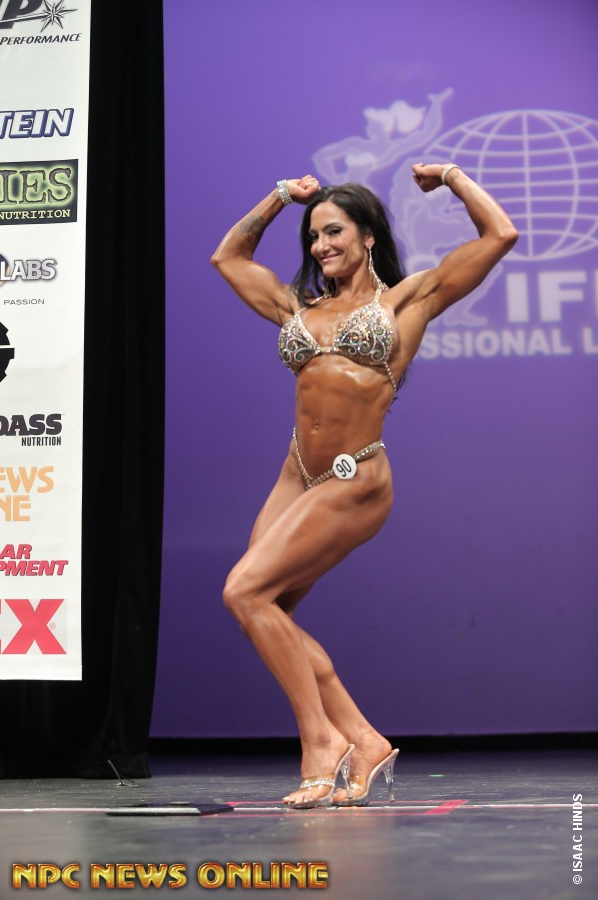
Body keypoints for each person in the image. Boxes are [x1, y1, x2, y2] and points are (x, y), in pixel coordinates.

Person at [211, 164, 517, 809]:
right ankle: (365, 739)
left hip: (356, 477)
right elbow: (228, 258)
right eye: (313, 236)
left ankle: (320, 740)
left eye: (334, 231)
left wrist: (452, 177)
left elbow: (500, 235)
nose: (321, 245)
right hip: (297, 475)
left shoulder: (409, 300)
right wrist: (279, 197)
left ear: (368, 235)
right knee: (262, 611)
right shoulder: (299, 307)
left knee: (244, 590)